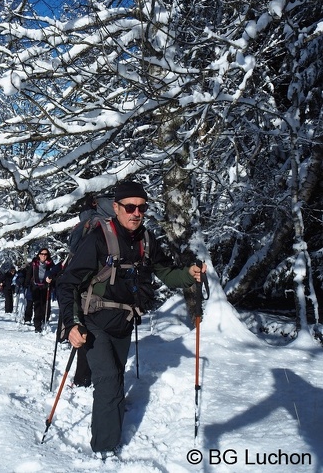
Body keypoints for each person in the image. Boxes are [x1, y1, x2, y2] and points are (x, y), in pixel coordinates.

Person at [57, 180, 204, 457]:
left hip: (124, 323)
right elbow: (67, 283)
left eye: (142, 207)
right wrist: (72, 323)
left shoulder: (147, 240)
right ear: (116, 207)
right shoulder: (99, 238)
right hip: (94, 322)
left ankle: (109, 424)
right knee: (109, 379)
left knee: (116, 377)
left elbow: (165, 271)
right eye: (130, 207)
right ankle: (104, 448)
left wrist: (188, 275)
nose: (136, 212)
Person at [24, 248, 54, 332]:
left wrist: (52, 280)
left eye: (45, 254)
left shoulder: (51, 264)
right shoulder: (34, 264)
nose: (43, 256)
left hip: (45, 287)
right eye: (42, 254)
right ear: (39, 254)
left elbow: (55, 274)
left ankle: (44, 321)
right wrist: (26, 283)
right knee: (37, 306)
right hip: (36, 287)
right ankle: (37, 326)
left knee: (45, 307)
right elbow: (29, 274)